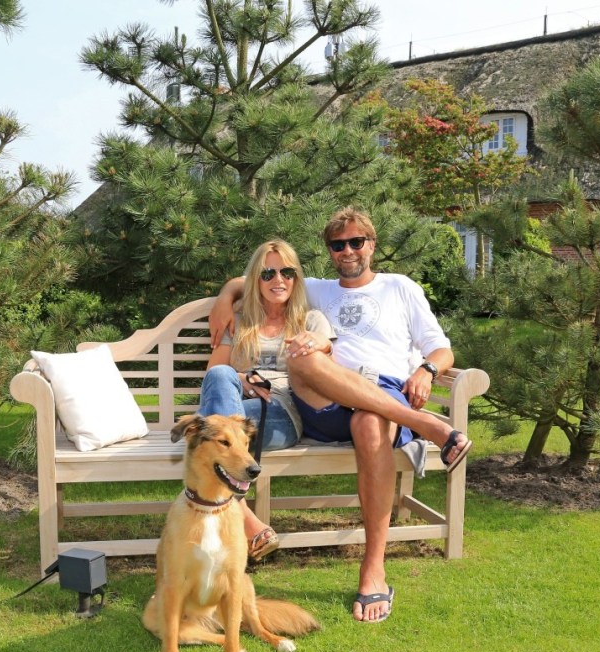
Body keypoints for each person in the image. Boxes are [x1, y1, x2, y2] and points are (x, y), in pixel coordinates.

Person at [210, 208, 472, 622]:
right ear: (330, 251)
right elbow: (260, 275)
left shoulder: (399, 287)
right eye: (338, 245)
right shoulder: (315, 289)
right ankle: (428, 426)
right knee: (303, 358)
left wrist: (427, 369)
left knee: (368, 419)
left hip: (379, 392)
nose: (348, 251)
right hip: (318, 401)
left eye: (356, 242)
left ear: (372, 243)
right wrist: (227, 298)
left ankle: (373, 570)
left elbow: (441, 349)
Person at [199, 239, 334, 561]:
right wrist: (243, 379)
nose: (278, 280)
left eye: (287, 272)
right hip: (236, 408)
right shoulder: (240, 319)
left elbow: (327, 369)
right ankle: (249, 522)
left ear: (296, 278)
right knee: (220, 378)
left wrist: (322, 346)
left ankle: (229, 528)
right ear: (255, 279)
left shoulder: (311, 320)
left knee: (205, 440)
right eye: (268, 273)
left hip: (281, 412)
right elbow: (215, 373)